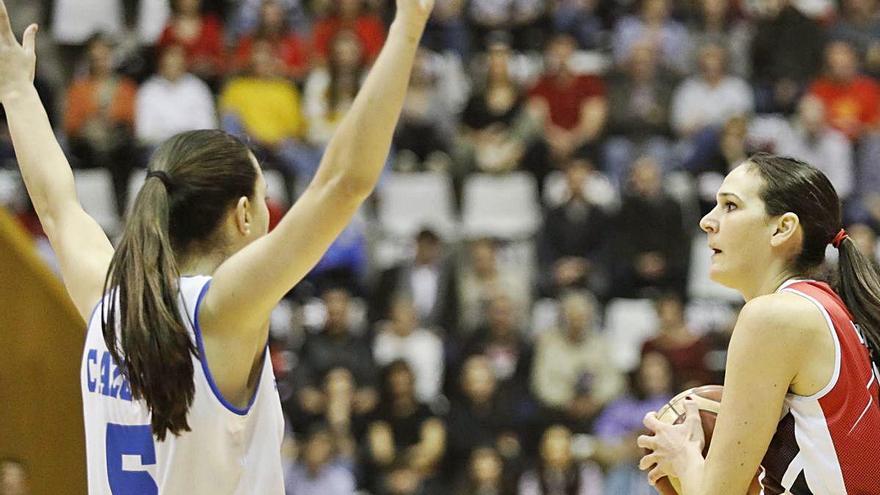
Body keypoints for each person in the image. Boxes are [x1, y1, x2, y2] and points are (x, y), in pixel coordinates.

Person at [0, 1, 434, 494]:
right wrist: (407, 29)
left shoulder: (111, 301)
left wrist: (15, 90)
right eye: (265, 196)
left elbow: (58, 208)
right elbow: (343, 183)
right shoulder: (223, 312)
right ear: (243, 214)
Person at [637, 153, 880, 493]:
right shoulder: (831, 310)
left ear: (782, 229)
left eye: (730, 206)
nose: (707, 220)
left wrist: (683, 456)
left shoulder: (774, 316)